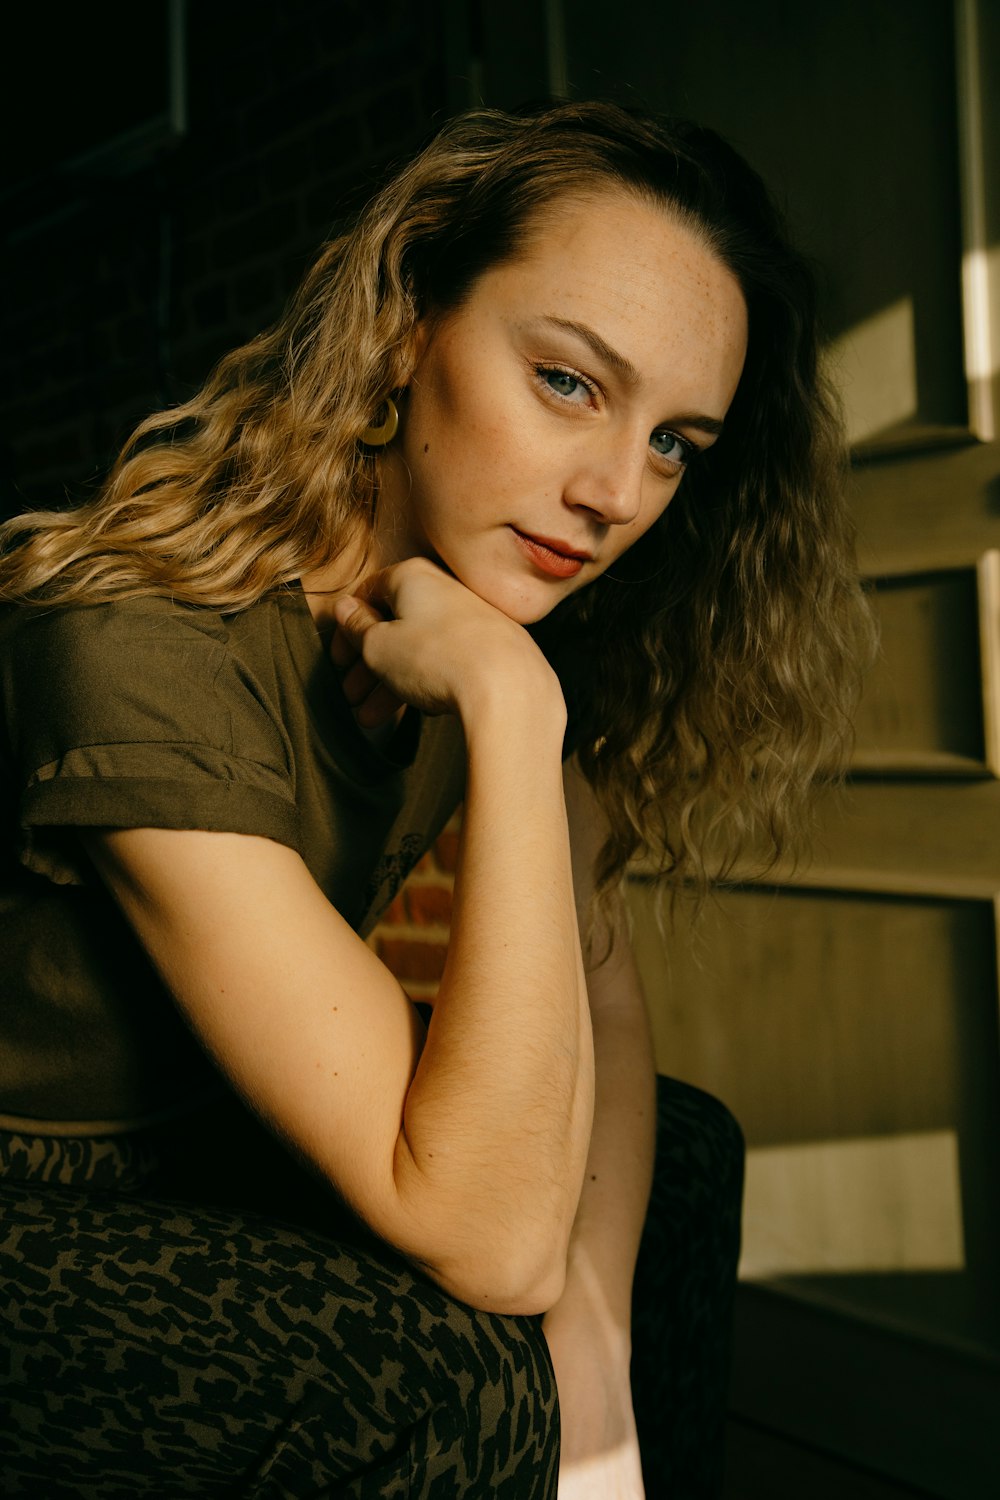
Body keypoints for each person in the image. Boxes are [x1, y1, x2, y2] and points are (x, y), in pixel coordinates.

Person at [0, 100, 870, 1498]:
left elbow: (602, 1006)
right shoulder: (143, 647)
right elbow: (489, 1232)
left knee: (684, 1159)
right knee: (445, 1368)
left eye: (676, 445)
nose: (615, 495)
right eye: (572, 383)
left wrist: (595, 1361)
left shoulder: (461, 620)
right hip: (31, 1186)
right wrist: (518, 719)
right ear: (409, 328)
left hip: (194, 1118)